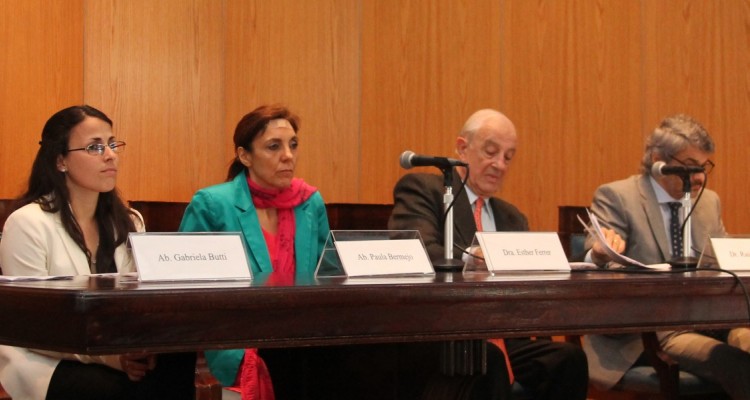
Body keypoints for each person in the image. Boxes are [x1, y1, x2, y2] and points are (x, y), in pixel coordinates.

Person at [388, 108, 589, 400]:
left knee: (567, 359)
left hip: (502, 334)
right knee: (488, 359)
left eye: (508, 157)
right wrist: (474, 256)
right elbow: (415, 251)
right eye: (491, 152)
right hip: (444, 335)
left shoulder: (512, 217)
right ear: (462, 148)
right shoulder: (424, 190)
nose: (500, 165)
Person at [0, 105, 197, 400]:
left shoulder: (130, 221)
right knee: (111, 390)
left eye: (113, 144)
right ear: (60, 161)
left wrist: (140, 349)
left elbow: (138, 302)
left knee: (176, 360)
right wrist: (108, 359)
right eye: (95, 147)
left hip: (115, 348)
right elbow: (35, 328)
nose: (111, 155)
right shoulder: (28, 223)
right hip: (47, 358)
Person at [582, 114, 750, 397]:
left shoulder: (709, 201)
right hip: (650, 331)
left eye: (704, 166)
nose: (699, 177)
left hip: (711, 320)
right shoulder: (618, 197)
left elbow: (724, 260)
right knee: (733, 363)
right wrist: (600, 252)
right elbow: (599, 256)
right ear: (659, 159)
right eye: (689, 167)